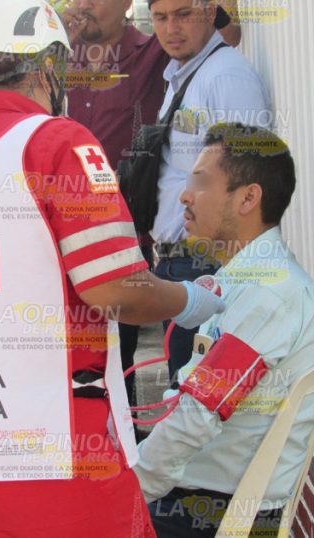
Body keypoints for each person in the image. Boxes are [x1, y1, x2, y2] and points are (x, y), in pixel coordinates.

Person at [0, 1, 223, 535]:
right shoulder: (59, 143)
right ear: (48, 68)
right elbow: (114, 287)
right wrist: (192, 300)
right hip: (56, 454)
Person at [61, 0, 239, 415]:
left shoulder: (152, 52)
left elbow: (223, 32)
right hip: (62, 231)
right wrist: (59, 43)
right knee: (72, 354)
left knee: (118, 349)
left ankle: (123, 436)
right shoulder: (55, 59)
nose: (82, 5)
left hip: (127, 232)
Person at [135, 124, 312, 537]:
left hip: (209, 514)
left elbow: (198, 414)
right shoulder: (244, 281)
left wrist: (129, 487)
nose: (184, 196)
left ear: (249, 197)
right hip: (195, 498)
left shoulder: (271, 294)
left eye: (200, 183)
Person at [139, 0, 269, 386]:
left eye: (183, 14)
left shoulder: (224, 76)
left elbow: (243, 179)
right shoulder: (186, 74)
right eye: (161, 18)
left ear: (210, 14)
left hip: (209, 264)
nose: (171, 28)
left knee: (201, 403)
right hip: (184, 264)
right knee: (189, 397)